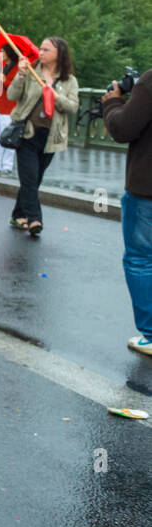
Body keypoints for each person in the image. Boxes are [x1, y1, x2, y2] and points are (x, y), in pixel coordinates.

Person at [5, 37, 79, 236]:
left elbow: (73, 106)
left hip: (51, 138)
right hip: (28, 134)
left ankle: (17, 214)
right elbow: (12, 96)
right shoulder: (31, 72)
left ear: (59, 54)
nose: (41, 52)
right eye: (41, 48)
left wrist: (56, 97)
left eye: (46, 49)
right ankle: (34, 218)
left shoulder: (69, 81)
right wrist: (20, 74)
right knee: (29, 179)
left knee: (34, 179)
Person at [102, 67, 152, 356]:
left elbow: (123, 128)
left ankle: (150, 332)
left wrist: (113, 102)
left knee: (142, 259)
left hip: (147, 188)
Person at [0, 34, 37, 174]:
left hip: (10, 110)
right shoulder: (4, 68)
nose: (1, 54)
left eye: (3, 51)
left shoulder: (17, 70)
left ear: (9, 53)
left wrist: (5, 81)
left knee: (8, 138)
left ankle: (6, 165)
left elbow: (17, 90)